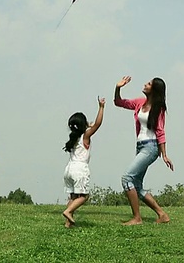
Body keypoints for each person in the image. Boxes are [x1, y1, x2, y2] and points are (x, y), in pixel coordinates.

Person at [114, 76, 174, 225]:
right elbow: (119, 102)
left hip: (151, 147)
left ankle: (137, 218)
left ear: (154, 90)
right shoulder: (140, 102)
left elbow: (160, 131)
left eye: (148, 84)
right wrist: (118, 88)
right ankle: (162, 215)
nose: (145, 85)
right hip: (140, 146)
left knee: (127, 179)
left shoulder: (158, 108)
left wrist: (164, 154)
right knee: (137, 185)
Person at [62, 96, 105, 228]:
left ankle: (68, 223)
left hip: (69, 169)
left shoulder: (73, 138)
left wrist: (87, 125)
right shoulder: (85, 136)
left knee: (73, 197)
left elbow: (91, 125)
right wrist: (101, 107)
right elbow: (97, 124)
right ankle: (68, 211)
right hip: (80, 169)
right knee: (84, 196)